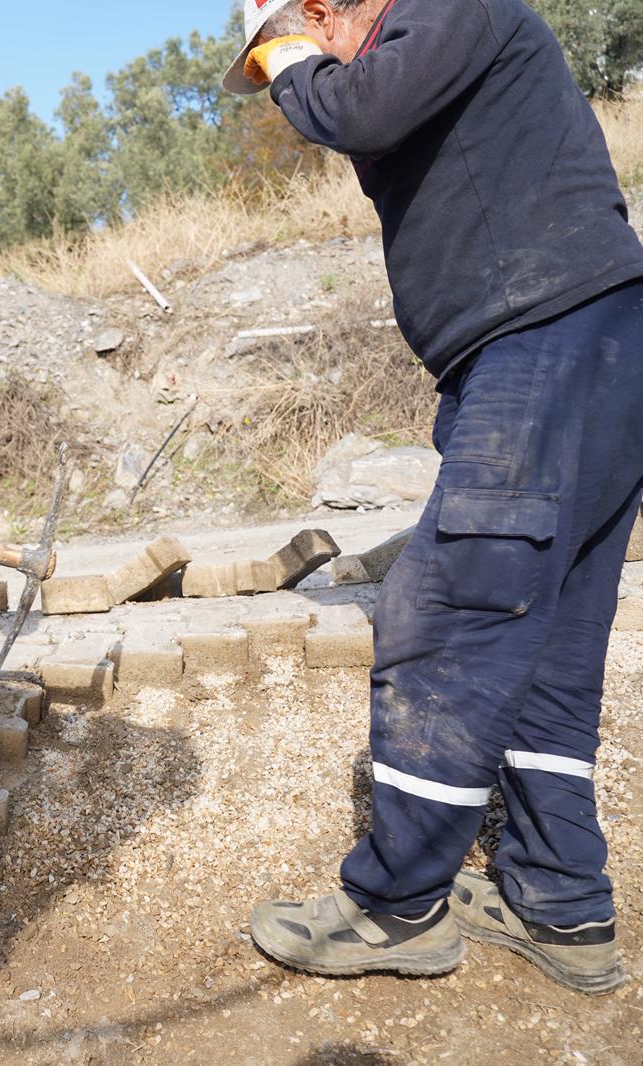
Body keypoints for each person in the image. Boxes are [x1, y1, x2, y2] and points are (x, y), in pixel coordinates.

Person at [228, 0, 643, 993]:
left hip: (545, 333)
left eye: (302, 40)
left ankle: (393, 906)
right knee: (540, 645)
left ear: (322, 10)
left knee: (444, 610)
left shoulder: (452, 2)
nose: (294, 77)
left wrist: (282, 51)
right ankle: (561, 902)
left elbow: (356, 110)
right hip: (575, 345)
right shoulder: (436, 54)